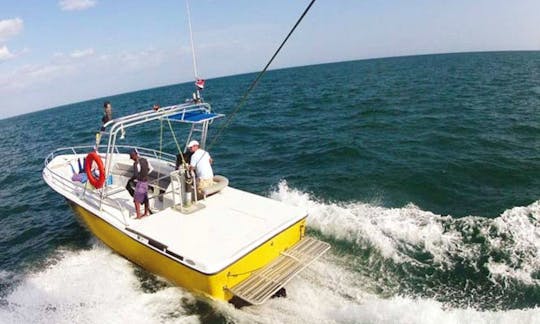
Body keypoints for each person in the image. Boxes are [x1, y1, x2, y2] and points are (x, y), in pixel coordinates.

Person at [127, 148, 153, 218]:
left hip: (141, 183)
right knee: (145, 198)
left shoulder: (136, 164)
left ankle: (138, 216)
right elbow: (151, 169)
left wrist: (131, 180)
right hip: (146, 182)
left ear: (135, 155)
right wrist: (145, 174)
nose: (132, 159)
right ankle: (145, 213)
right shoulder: (145, 159)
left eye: (132, 157)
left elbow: (135, 175)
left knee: (136, 200)